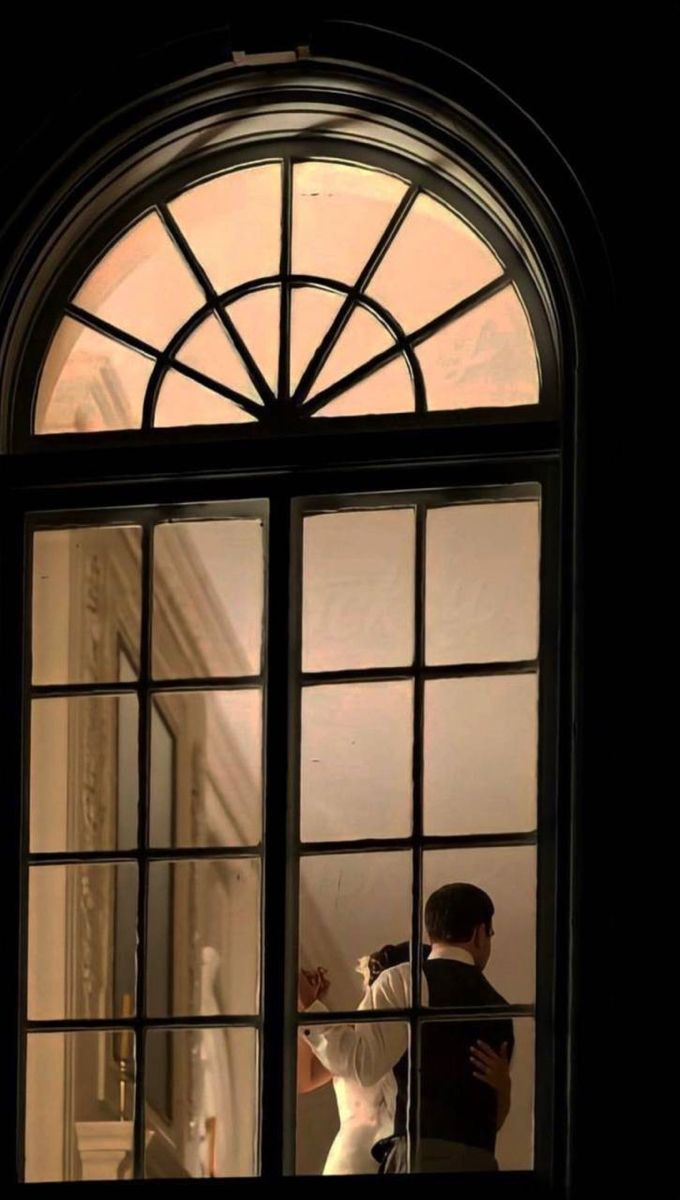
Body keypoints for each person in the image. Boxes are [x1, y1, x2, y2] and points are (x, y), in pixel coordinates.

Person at [301, 883, 514, 1173]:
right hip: (479, 1162)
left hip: (417, 1157)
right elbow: (493, 1122)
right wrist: (505, 1088)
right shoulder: (502, 1009)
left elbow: (362, 1065)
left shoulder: (403, 982)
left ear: (431, 931)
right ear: (479, 933)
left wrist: (309, 1008)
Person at [297, 944, 429, 1175]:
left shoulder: (424, 1045)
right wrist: (306, 1011)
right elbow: (304, 1079)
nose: (368, 997)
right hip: (351, 1161)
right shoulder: (350, 1040)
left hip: (401, 1157)